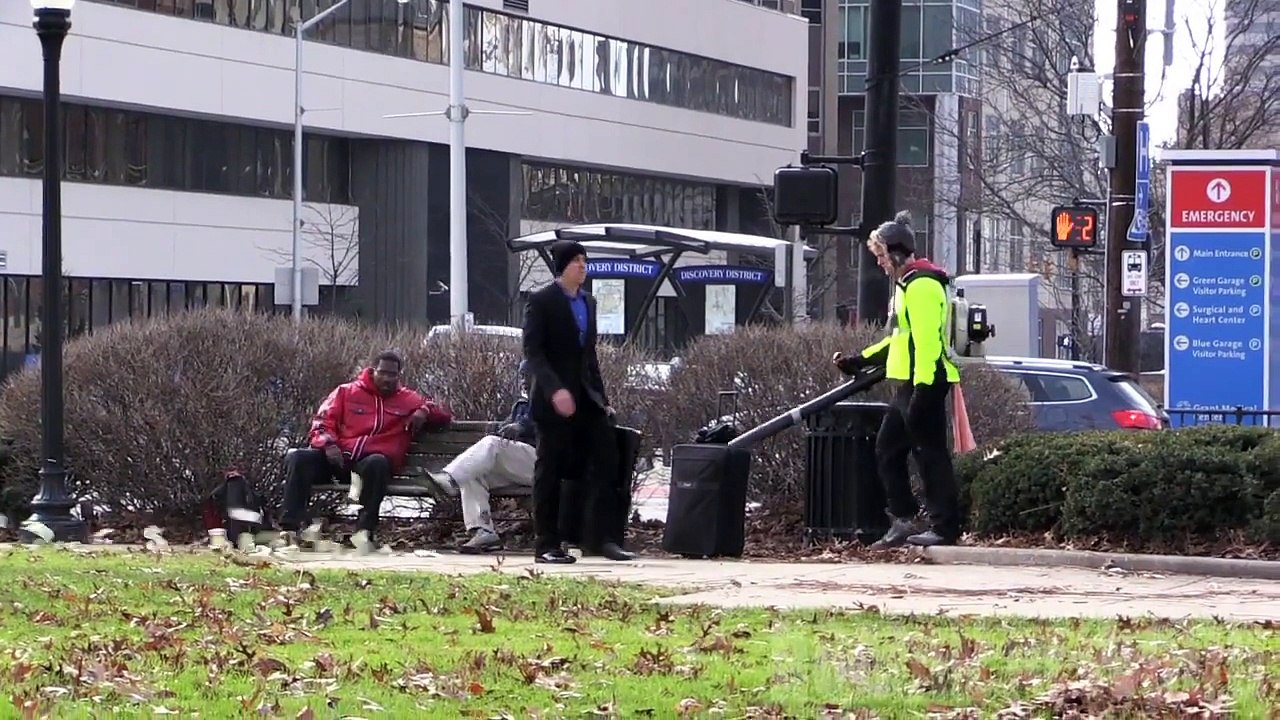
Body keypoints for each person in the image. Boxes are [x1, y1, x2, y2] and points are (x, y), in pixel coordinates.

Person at [832, 212, 962, 549]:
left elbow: (927, 343)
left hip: (926, 381)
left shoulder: (921, 286)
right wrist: (861, 360)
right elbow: (901, 339)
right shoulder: (910, 285)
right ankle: (905, 518)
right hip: (915, 381)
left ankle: (944, 527)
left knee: (929, 455)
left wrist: (922, 390)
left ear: (896, 253)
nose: (880, 263)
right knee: (890, 449)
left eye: (881, 255)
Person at [522, 239, 635, 564]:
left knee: (606, 460)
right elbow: (534, 353)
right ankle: (546, 544)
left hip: (586, 398)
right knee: (551, 468)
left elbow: (589, 357)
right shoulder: (542, 301)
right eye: (576, 262)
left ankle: (600, 539)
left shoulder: (589, 302)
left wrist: (603, 399)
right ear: (562, 267)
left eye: (585, 262)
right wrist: (554, 390)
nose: (582, 267)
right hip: (552, 400)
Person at [280, 351, 452, 548]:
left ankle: (364, 532)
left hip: (369, 468)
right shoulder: (346, 392)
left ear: (399, 376)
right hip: (338, 461)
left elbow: (444, 416)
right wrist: (328, 445)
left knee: (377, 462)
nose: (387, 379)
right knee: (298, 457)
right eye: (383, 373)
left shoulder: (408, 399)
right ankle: (289, 529)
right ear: (372, 370)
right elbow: (322, 422)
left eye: (393, 375)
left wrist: (425, 410)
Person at [431, 361, 538, 554]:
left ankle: (449, 480)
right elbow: (509, 428)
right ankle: (483, 531)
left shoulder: (553, 399)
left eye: (527, 376)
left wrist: (523, 427)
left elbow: (550, 426)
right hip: (522, 464)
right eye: (521, 376)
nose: (523, 381)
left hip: (544, 463)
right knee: (473, 475)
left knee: (491, 444)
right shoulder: (522, 404)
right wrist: (503, 428)